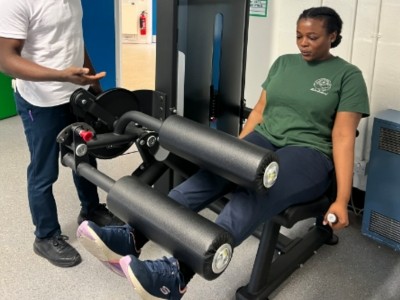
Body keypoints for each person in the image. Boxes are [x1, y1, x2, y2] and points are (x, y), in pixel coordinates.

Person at [76, 6, 369, 299]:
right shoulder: (283, 63)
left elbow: (343, 136)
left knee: (255, 194)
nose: (303, 43)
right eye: (299, 36)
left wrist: (342, 199)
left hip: (309, 153)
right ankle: (133, 234)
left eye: (313, 37)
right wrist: (230, 155)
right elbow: (260, 111)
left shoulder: (347, 75)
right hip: (265, 138)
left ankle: (174, 276)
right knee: (207, 178)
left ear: (333, 36)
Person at [0, 0, 124, 268]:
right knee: (44, 171)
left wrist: (96, 88)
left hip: (76, 95)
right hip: (40, 101)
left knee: (85, 156)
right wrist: (61, 76)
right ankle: (45, 236)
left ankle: (91, 210)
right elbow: (6, 60)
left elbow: (75, 43)